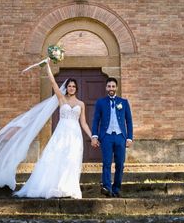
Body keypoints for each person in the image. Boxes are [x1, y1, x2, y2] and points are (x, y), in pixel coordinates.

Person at [13, 61, 94, 199]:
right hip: (62, 133)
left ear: (77, 88)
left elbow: (84, 123)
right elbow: (53, 83)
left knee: (71, 159)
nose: (71, 88)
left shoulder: (81, 104)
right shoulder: (61, 99)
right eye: (69, 86)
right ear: (66, 88)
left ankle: (68, 187)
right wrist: (48, 66)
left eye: (74, 86)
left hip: (75, 134)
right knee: (57, 157)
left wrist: (92, 136)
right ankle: (54, 186)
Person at [91, 77, 133, 198]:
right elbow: (96, 120)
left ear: (116, 88)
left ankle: (116, 188)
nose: (111, 88)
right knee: (107, 163)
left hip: (120, 137)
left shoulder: (123, 102)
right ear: (106, 88)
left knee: (120, 164)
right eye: (109, 86)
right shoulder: (100, 102)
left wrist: (129, 137)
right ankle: (107, 188)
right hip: (106, 137)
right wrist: (95, 136)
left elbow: (129, 121)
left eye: (113, 86)